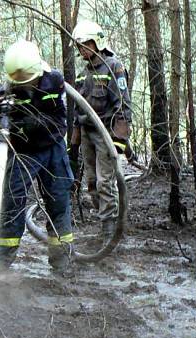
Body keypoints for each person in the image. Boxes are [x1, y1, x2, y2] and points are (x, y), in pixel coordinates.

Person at [0, 40, 74, 274]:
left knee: (58, 200)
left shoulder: (54, 81)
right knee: (12, 202)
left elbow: (60, 120)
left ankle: (61, 262)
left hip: (53, 148)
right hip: (23, 152)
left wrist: (32, 123)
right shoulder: (7, 90)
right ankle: (1, 264)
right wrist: (3, 117)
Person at [69, 20, 132, 241]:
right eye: (79, 46)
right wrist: (74, 143)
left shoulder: (114, 67)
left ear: (97, 42)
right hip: (87, 133)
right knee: (93, 182)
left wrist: (119, 140)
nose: (82, 49)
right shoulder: (82, 74)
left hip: (106, 132)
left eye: (85, 44)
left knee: (106, 181)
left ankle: (109, 228)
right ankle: (106, 218)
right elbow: (78, 109)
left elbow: (123, 106)